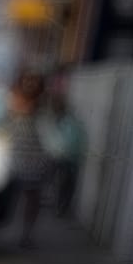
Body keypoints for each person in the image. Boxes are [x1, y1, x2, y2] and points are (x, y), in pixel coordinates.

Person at [4, 70, 52, 249]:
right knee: (11, 196)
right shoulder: (11, 103)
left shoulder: (43, 109)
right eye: (27, 81)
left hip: (35, 159)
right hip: (14, 157)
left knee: (32, 198)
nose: (30, 85)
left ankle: (26, 234)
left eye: (34, 82)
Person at [42, 76, 87, 220]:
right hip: (65, 159)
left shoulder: (68, 123)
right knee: (63, 184)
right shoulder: (66, 122)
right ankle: (59, 206)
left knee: (64, 185)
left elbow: (67, 144)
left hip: (67, 159)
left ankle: (60, 207)